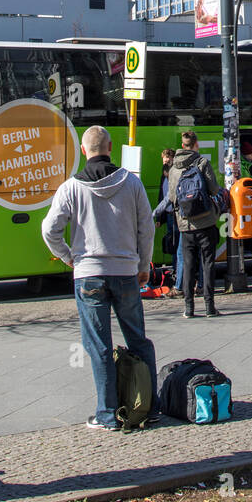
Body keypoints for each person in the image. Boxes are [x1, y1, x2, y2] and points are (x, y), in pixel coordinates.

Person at [42, 125, 159, 432]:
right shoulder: (131, 183)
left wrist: (68, 256)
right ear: (110, 146)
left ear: (84, 150)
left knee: (99, 345)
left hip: (88, 274)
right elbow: (146, 227)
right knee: (138, 339)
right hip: (125, 272)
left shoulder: (70, 187)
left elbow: (49, 229)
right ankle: (150, 406)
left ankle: (106, 414)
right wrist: (143, 263)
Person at [168, 130, 222, 319]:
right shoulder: (202, 163)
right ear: (196, 144)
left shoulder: (174, 169)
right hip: (206, 221)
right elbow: (214, 189)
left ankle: (189, 308)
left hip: (185, 225)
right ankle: (209, 307)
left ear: (182, 146)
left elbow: (172, 197)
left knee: (189, 264)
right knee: (208, 263)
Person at [152, 147, 181, 294]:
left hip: (176, 215)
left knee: (176, 245)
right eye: (164, 159)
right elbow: (161, 195)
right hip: (169, 215)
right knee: (172, 243)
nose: (165, 161)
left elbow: (168, 197)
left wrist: (155, 213)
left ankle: (177, 272)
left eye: (167, 159)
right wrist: (160, 218)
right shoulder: (164, 173)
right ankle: (176, 270)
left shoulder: (174, 173)